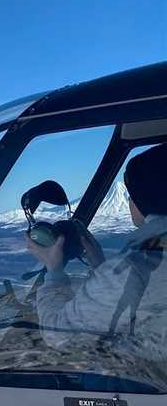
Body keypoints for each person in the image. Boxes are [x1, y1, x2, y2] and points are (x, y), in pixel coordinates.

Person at [27, 143, 167, 357]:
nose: (130, 201)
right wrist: (101, 266)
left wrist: (54, 272)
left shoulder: (142, 263)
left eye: (132, 195)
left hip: (144, 380)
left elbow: (60, 335)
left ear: (146, 197)